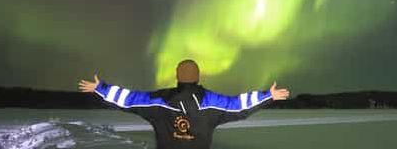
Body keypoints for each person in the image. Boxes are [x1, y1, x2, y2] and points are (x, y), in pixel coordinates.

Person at [78, 59, 290, 148]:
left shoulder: (158, 101)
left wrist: (101, 88)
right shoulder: (211, 102)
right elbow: (238, 105)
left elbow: (129, 99)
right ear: (197, 77)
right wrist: (267, 95)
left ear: (177, 76)